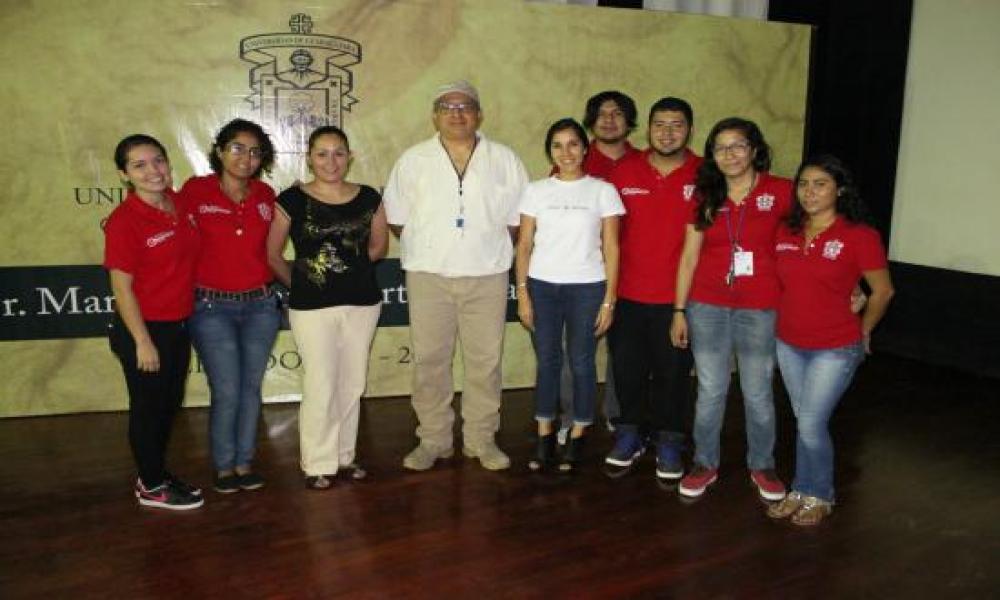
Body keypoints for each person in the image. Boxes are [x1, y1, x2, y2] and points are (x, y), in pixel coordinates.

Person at [384, 80, 529, 471]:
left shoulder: (504, 159)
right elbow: (397, 220)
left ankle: (481, 440)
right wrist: (436, 244)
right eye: (447, 107)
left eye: (465, 106)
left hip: (488, 275)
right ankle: (433, 439)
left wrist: (481, 246)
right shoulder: (413, 160)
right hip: (429, 276)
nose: (457, 113)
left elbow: (518, 221)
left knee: (485, 362)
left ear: (479, 114)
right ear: (435, 115)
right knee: (430, 360)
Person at [766, 154, 893, 525]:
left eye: (820, 184)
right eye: (804, 184)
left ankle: (820, 493)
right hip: (789, 342)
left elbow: (882, 291)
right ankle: (800, 489)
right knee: (805, 419)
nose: (810, 192)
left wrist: (865, 328)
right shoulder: (785, 230)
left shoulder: (859, 235)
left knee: (809, 423)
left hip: (835, 347)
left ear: (839, 189)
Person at [670, 117, 792, 502]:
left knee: (757, 390)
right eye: (721, 148)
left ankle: (762, 463)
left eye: (738, 145)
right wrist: (678, 309)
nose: (730, 154)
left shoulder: (783, 192)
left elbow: (809, 240)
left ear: (754, 149)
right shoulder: (705, 194)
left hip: (760, 306)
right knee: (710, 388)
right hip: (706, 304)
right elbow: (689, 257)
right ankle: (705, 462)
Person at [267, 125, 388, 490]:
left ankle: (344, 456)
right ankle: (318, 462)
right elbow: (273, 256)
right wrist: (304, 281)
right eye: (322, 153)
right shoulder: (289, 201)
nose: (330, 161)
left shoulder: (368, 197)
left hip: (362, 303)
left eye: (338, 153)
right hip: (311, 308)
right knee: (321, 382)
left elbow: (378, 248)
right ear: (308, 157)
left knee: (352, 383)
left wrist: (348, 274)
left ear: (350, 157)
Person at [515, 118, 624, 473]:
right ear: (550, 151)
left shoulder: (602, 190)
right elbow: (525, 245)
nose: (567, 153)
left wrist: (609, 299)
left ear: (585, 148)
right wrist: (524, 295)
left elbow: (611, 246)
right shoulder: (536, 190)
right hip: (542, 287)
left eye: (574, 144)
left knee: (580, 361)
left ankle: (578, 430)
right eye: (558, 146)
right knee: (547, 361)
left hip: (588, 287)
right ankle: (545, 430)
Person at [180, 119, 281, 494]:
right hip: (211, 308)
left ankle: (244, 462)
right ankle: (224, 466)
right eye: (237, 148)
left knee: (251, 388)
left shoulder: (267, 196)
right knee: (226, 389)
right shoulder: (195, 190)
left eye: (255, 151)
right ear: (220, 151)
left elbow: (273, 251)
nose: (245, 157)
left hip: (260, 306)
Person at [603, 97, 702, 481]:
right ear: (648, 129)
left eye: (676, 125)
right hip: (627, 294)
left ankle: (670, 440)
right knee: (627, 371)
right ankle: (629, 435)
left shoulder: (704, 173)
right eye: (660, 124)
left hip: (680, 299)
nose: (667, 132)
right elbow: (606, 234)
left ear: (689, 130)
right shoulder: (624, 170)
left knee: (673, 374)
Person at [104, 134, 203, 510]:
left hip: (178, 324)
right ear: (123, 174)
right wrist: (143, 341)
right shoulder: (125, 221)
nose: (152, 171)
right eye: (139, 165)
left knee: (167, 405)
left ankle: (155, 473)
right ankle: (151, 486)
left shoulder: (178, 203)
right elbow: (122, 288)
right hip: (143, 330)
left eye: (158, 160)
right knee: (148, 410)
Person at [552, 91, 641, 443]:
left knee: (624, 352)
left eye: (617, 113)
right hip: (579, 275)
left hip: (632, 272)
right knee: (575, 352)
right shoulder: (575, 160)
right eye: (601, 114)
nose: (609, 120)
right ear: (590, 122)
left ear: (630, 121)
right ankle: (570, 416)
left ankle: (617, 415)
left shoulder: (644, 163)